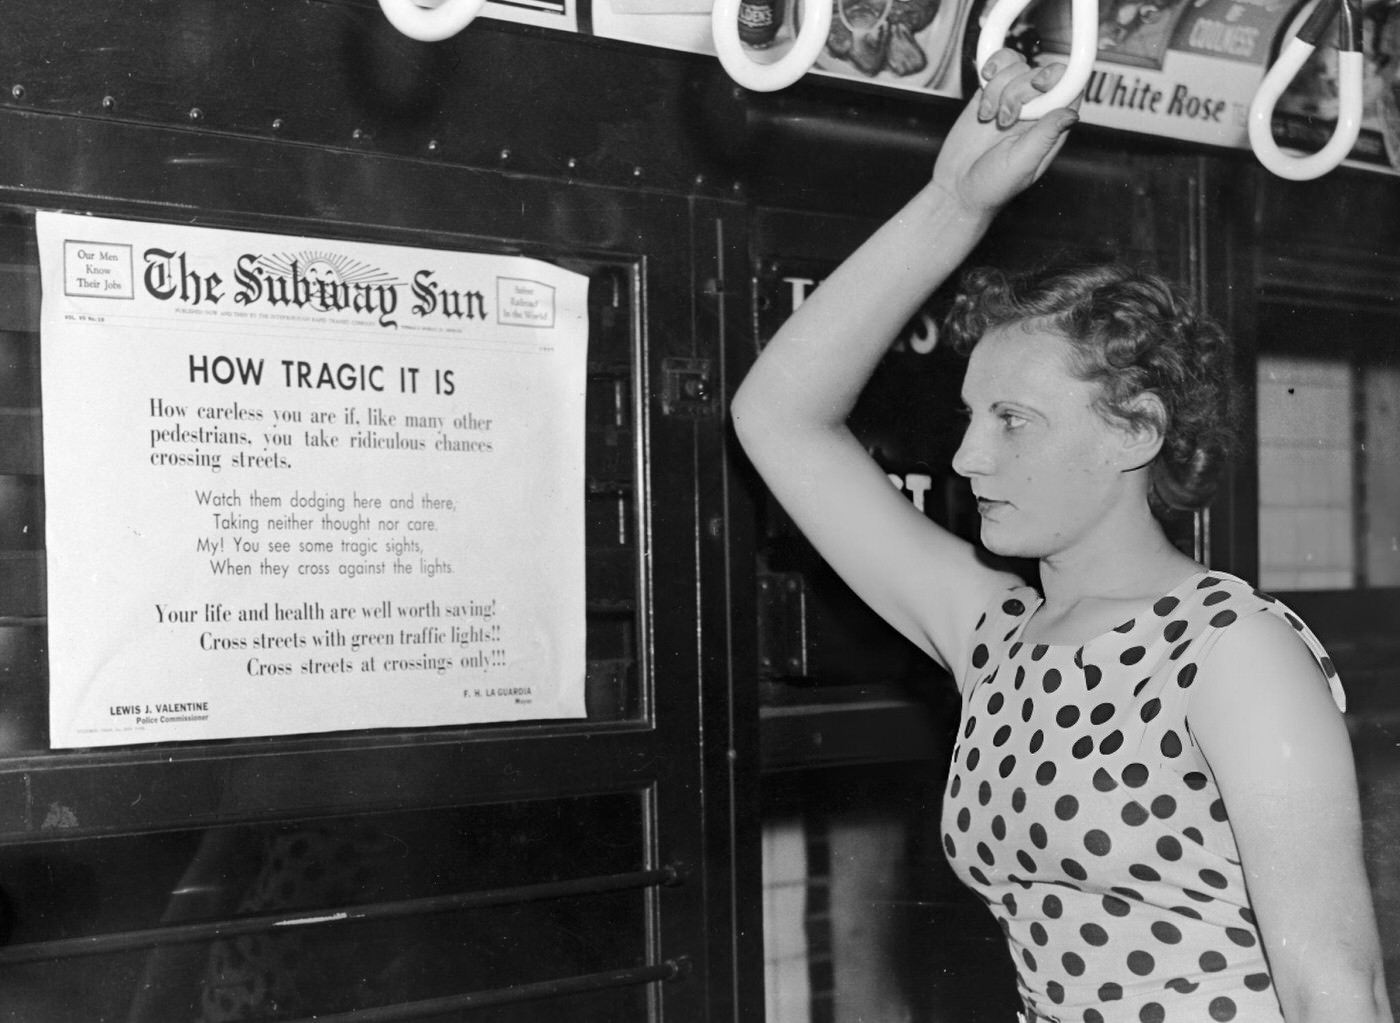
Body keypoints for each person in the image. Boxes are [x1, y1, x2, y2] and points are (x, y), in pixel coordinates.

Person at [731, 50, 1393, 1023]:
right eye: (968, 416)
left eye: (1012, 421)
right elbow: (775, 416)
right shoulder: (995, 638)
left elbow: (1335, 989)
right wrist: (953, 202)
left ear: (1133, 429)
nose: (964, 459)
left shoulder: (1231, 652)